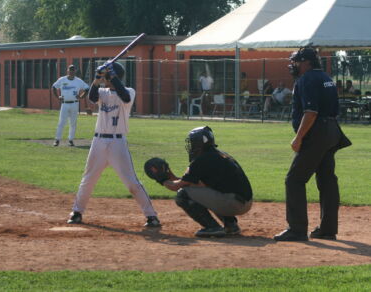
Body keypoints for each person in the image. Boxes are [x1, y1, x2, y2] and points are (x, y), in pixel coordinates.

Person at [67, 62, 161, 227]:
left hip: (118, 143)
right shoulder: (102, 91)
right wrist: (96, 80)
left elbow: (124, 96)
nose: (105, 79)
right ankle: (77, 212)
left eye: (107, 77)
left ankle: (151, 216)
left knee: (131, 182)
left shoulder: (129, 92)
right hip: (98, 142)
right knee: (88, 179)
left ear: (115, 76)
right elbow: (92, 97)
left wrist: (112, 75)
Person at [274, 47, 351, 242]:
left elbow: (311, 112)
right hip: (332, 130)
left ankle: (297, 229)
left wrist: (298, 138)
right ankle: (327, 229)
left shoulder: (306, 79)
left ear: (306, 62)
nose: (294, 65)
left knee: (294, 180)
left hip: (317, 132)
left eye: (297, 61)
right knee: (327, 180)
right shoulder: (326, 76)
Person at [161, 126, 253, 238]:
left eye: (193, 142)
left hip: (233, 203)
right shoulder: (219, 154)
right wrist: (170, 175)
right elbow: (194, 183)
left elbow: (178, 187)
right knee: (208, 190)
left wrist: (161, 179)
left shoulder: (201, 160)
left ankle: (212, 227)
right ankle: (231, 225)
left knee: (183, 195)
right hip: (243, 202)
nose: (191, 145)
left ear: (200, 143)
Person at [52, 65, 89, 147]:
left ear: (75, 71)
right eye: (70, 70)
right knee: (61, 122)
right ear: (67, 71)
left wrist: (81, 96)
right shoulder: (62, 79)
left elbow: (87, 88)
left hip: (75, 103)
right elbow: (54, 87)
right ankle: (57, 140)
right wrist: (58, 97)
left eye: (73, 70)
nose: (71, 72)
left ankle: (71, 140)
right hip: (65, 104)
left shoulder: (78, 81)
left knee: (73, 123)